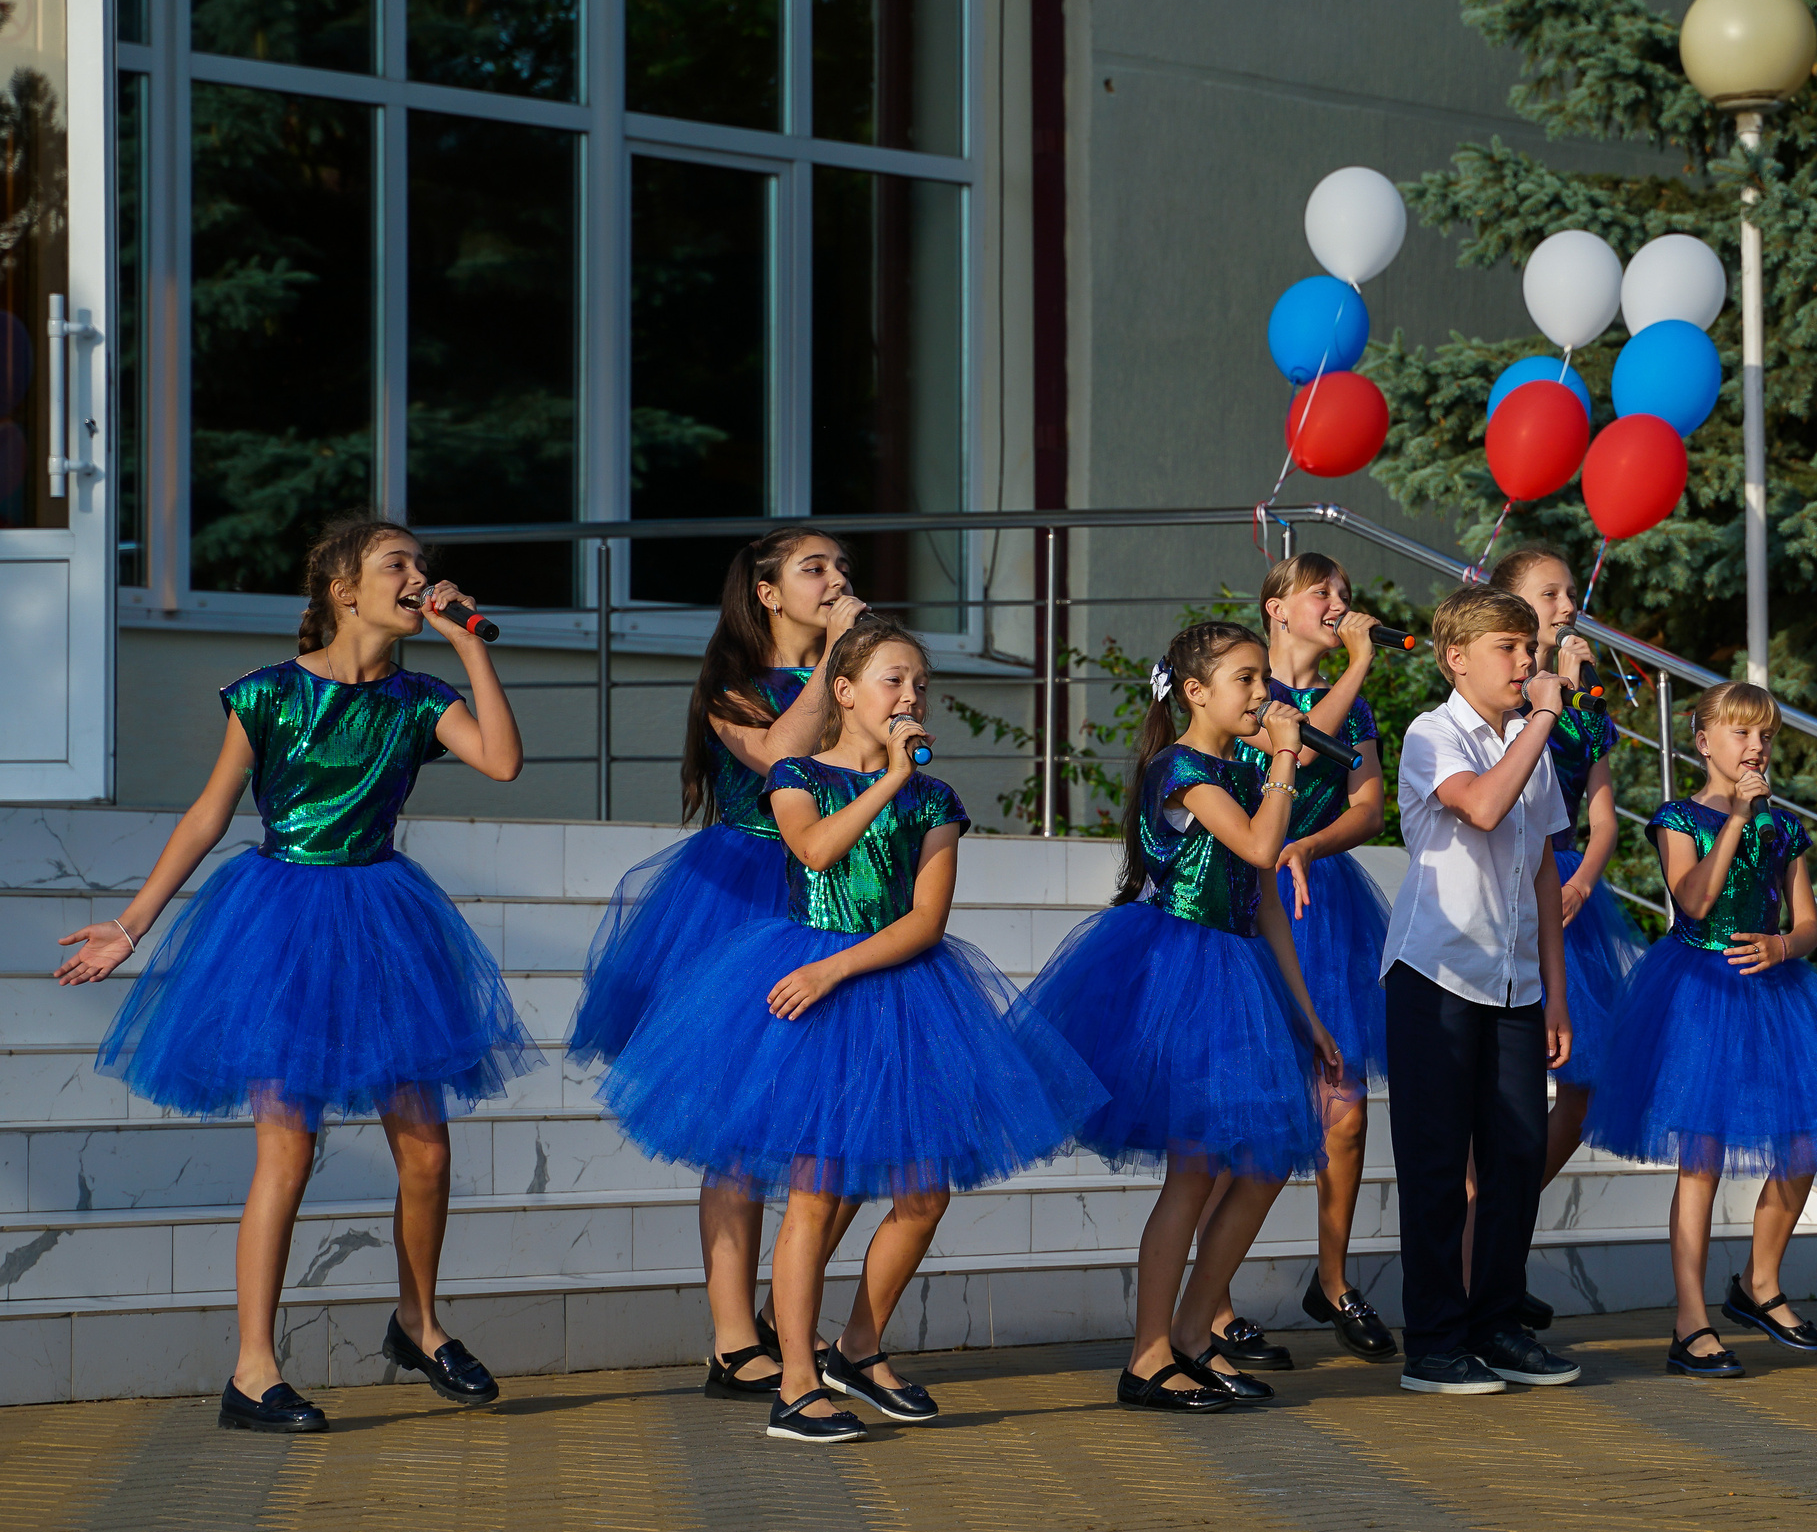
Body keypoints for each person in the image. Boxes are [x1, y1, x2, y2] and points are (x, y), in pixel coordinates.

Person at [57, 514, 533, 1435]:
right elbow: (206, 816)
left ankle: (418, 1322)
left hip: (384, 918)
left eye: (423, 566)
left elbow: (505, 763)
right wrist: (130, 922)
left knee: (427, 1148)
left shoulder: (417, 698)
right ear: (343, 590)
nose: (418, 576)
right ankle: (252, 1370)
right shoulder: (268, 695)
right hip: (279, 919)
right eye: (398, 564)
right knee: (289, 1146)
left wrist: (468, 644)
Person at [600, 617, 1098, 1441]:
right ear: (846, 691)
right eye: (893, 682)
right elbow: (818, 851)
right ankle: (795, 1383)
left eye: (920, 686)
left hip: (893, 988)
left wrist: (842, 964)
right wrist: (885, 783)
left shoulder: (936, 799)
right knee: (816, 1187)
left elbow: (927, 921)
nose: (910, 699)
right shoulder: (796, 773)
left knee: (924, 1190)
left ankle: (858, 1347)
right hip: (810, 987)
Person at [566, 527, 864, 1401]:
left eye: (842, 569)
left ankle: (785, 1310)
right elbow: (780, 755)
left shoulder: (851, 672)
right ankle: (736, 1339)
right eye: (816, 569)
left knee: (840, 1128)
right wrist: (840, 660)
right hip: (740, 895)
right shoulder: (732, 686)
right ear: (768, 592)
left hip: (837, 897)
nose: (836, 580)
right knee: (739, 1132)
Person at [1022, 621, 1342, 1413]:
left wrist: (1308, 1013)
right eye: (1245, 679)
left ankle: (1197, 1333)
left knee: (1265, 1163)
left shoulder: (1240, 772)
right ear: (1196, 691)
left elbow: (1266, 901)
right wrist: (1285, 756)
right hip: (1182, 971)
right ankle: (1148, 1355)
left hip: (1241, 974)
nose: (1263, 694)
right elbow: (1266, 849)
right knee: (1194, 1171)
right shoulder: (1184, 769)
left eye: (1265, 678)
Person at [1583, 682, 1817, 1377]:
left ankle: (1760, 1284)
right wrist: (1736, 817)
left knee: (1802, 1142)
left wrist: (1783, 947)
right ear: (1704, 742)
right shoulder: (1679, 817)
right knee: (1700, 1157)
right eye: (1740, 734)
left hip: (1776, 995)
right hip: (1697, 991)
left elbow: (1808, 924)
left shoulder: (1785, 828)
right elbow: (1694, 898)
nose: (1755, 747)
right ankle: (1689, 1322)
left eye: (1765, 736)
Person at [1378, 583, 1582, 1395]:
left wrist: (1557, 994)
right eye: (1510, 648)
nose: (1527, 663)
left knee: (1517, 1154)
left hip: (1516, 984)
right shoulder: (1433, 734)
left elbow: (1541, 871)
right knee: (1435, 1165)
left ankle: (1496, 1324)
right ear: (1457, 658)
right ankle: (1432, 1342)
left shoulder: (1530, 745)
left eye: (1531, 649)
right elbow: (1487, 808)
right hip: (1435, 975)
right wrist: (1540, 720)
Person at [1202, 553, 1398, 1368]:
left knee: (1344, 1111)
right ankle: (1209, 1307)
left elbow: (1369, 800)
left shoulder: (1351, 707)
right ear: (1277, 607)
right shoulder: (1253, 695)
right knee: (1238, 1114)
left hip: (1324, 907)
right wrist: (1357, 664)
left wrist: (1313, 844)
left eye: (1347, 596)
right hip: (1240, 909)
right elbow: (1303, 753)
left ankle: (1333, 1278)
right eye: (1323, 593)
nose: (1339, 605)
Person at [1485, 548, 1646, 1226]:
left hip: (1573, 894)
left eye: (1570, 593)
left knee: (1583, 1088)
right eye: (1550, 594)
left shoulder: (1588, 714)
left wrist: (1582, 880)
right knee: (1503, 1090)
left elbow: (1604, 819)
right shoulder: (1501, 702)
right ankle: (1476, 1235)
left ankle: (1505, 1224)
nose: (1568, 605)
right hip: (1509, 892)